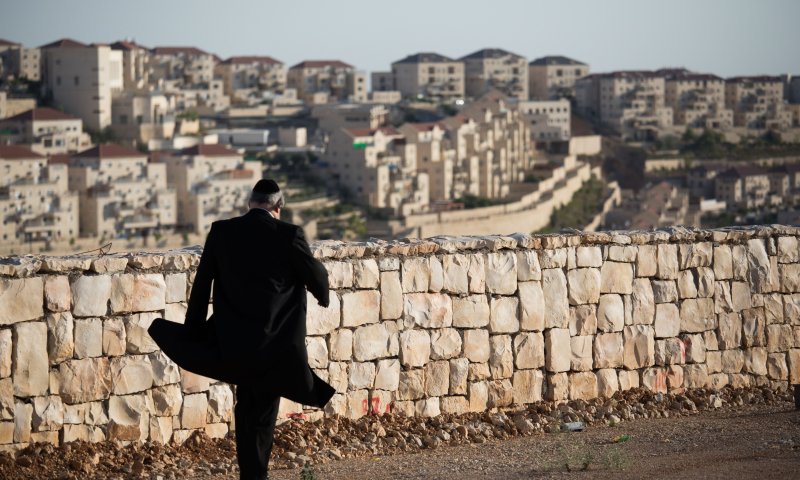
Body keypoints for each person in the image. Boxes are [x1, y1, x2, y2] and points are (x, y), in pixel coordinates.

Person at [149, 179, 334, 480]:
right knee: (260, 415)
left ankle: (252, 474)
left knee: (248, 409)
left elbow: (201, 287)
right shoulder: (289, 236)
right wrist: (320, 292)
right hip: (274, 348)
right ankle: (254, 476)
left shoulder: (221, 232)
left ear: (250, 204)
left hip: (232, 344)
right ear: (278, 208)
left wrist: (193, 334)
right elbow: (319, 285)